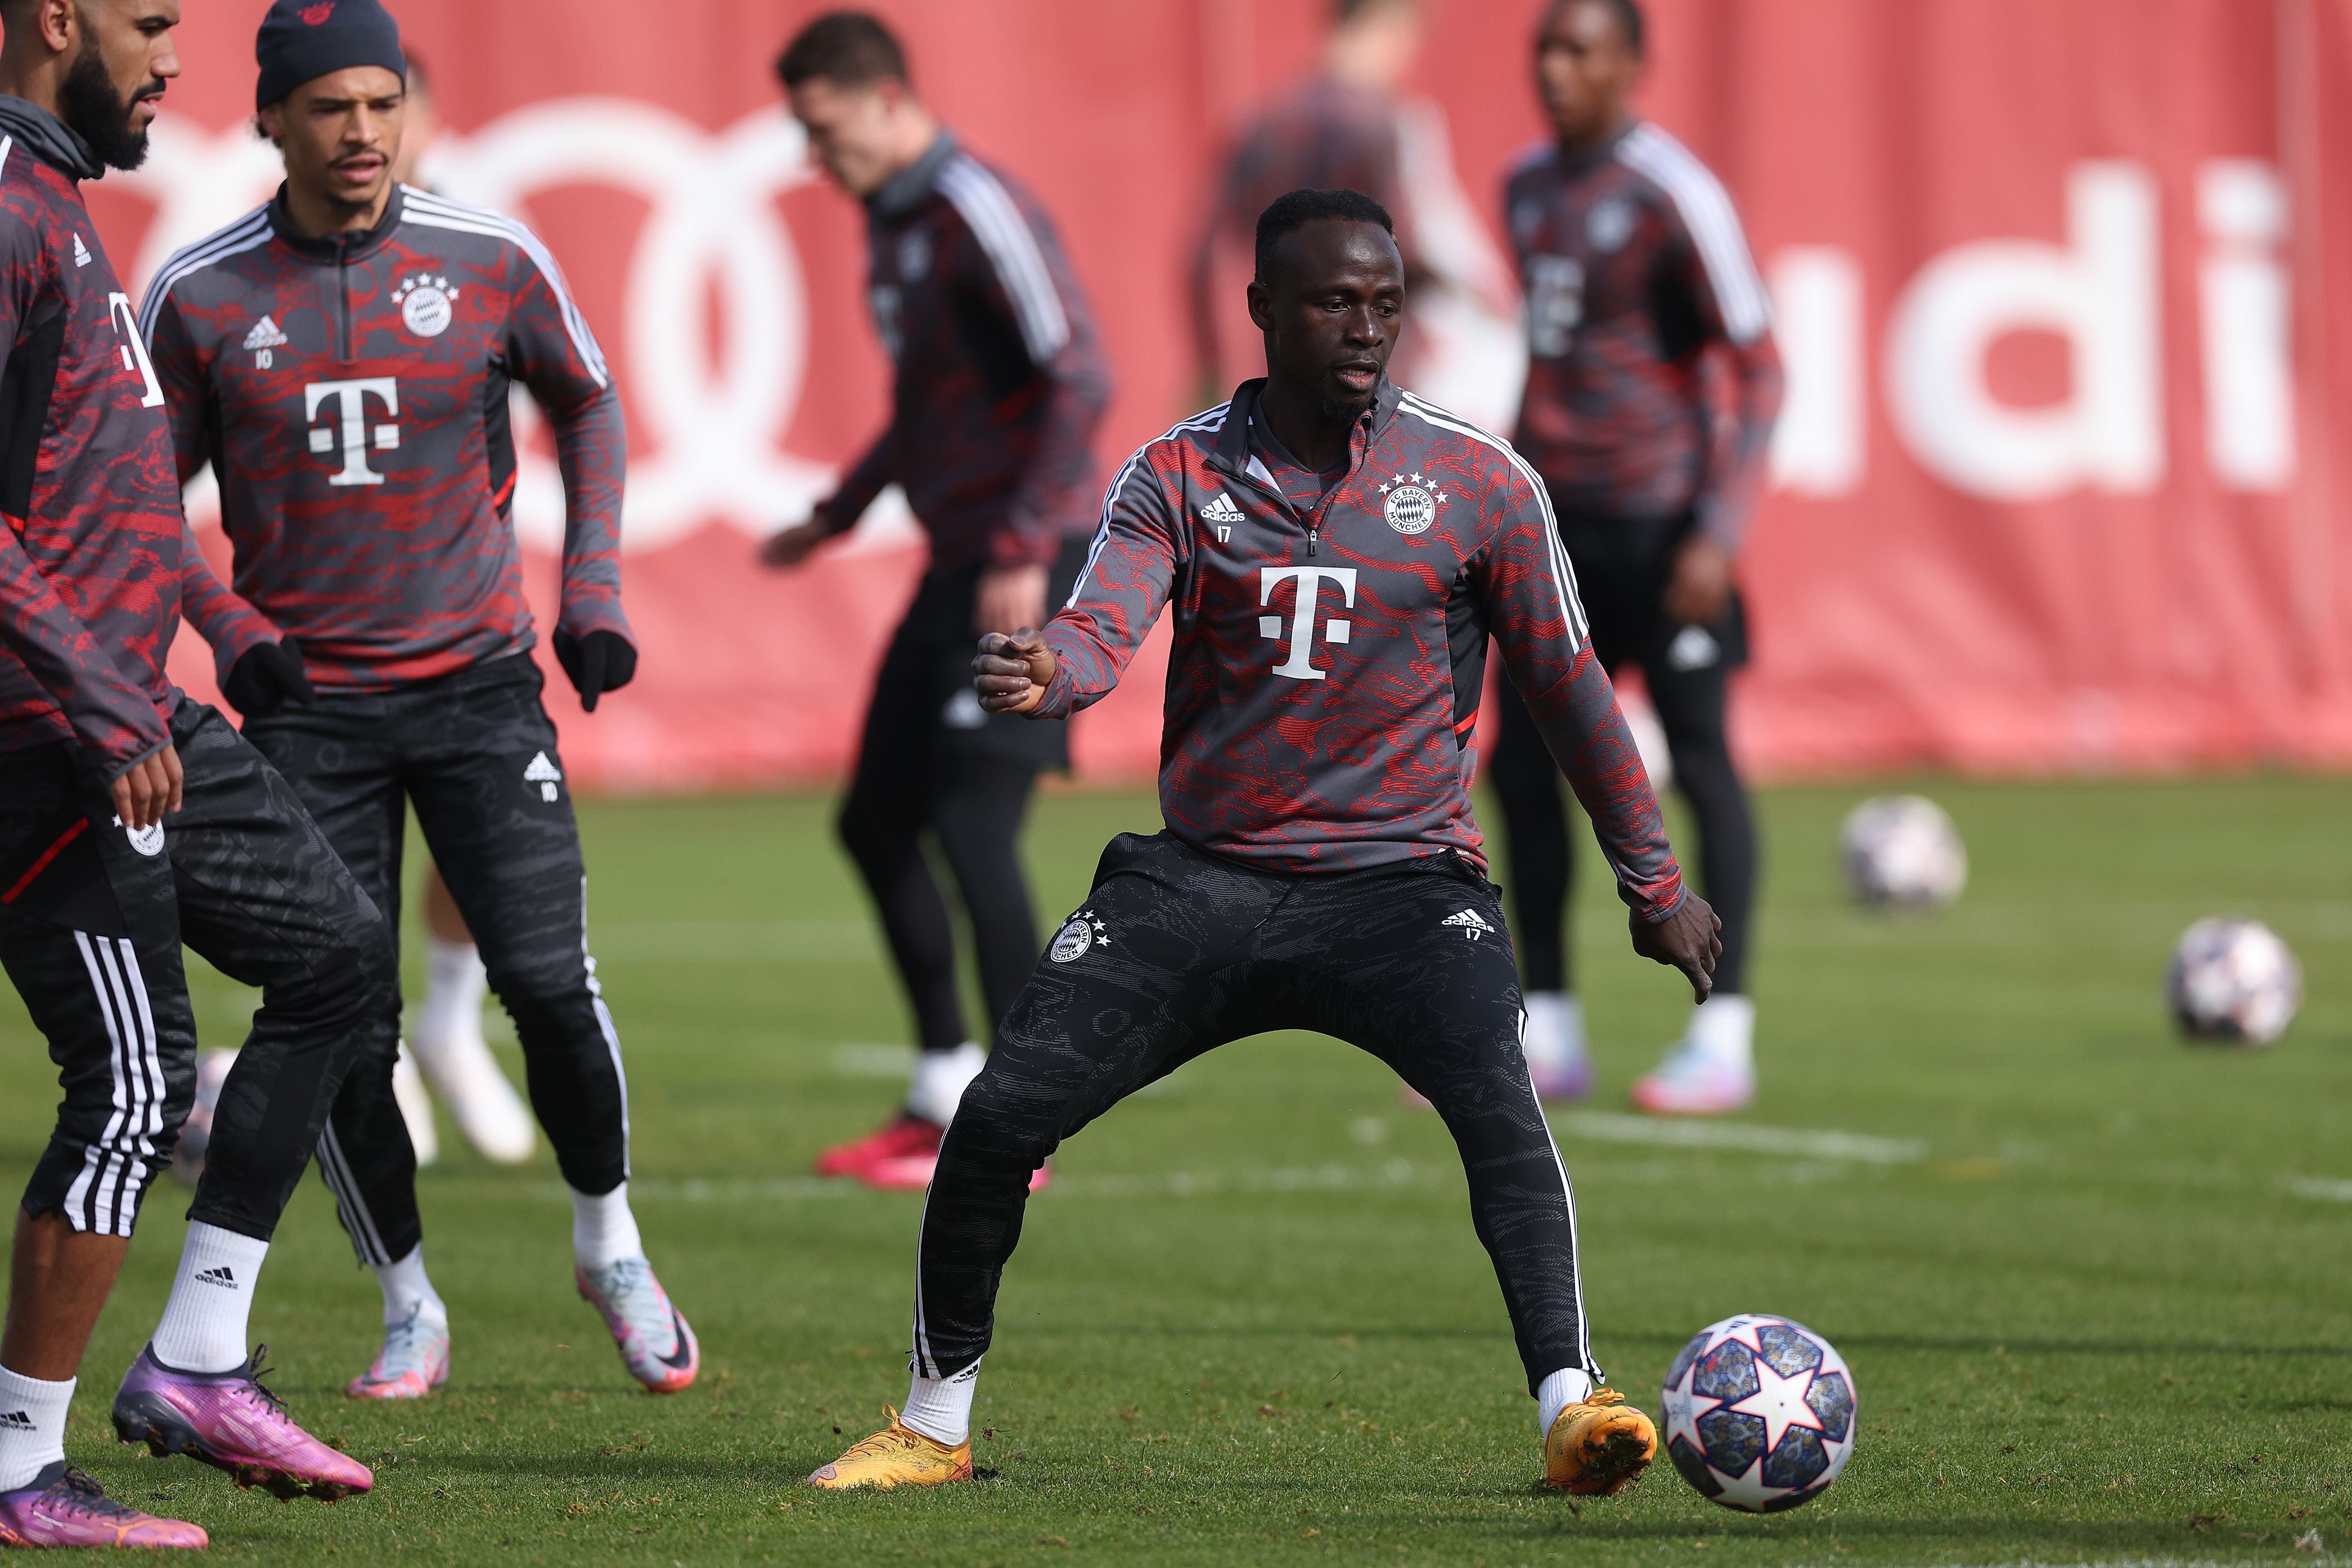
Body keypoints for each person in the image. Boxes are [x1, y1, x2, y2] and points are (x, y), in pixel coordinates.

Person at [808, 188, 1718, 1495]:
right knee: (998, 1113)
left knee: (1498, 1108)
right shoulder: (1178, 472)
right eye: (1336, 302)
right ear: (1263, 313)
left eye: (1388, 304)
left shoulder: (1479, 481)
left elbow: (1574, 695)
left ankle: (1575, 1406)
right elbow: (1099, 631)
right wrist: (1045, 670)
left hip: (1405, 887)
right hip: (1204, 883)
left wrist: (1656, 883)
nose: (1368, 329)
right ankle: (933, 1426)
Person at [147, 0, 696, 1404]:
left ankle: (609, 1243)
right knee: (344, 1022)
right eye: (329, 106)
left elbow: (591, 402)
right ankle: (408, 1301)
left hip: (479, 691)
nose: (361, 131)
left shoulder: (492, 256)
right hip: (306, 714)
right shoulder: (202, 295)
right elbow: (136, 512)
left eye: (380, 103)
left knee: (551, 990)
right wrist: (229, 626)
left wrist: (595, 595)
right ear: (271, 120)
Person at [0, 0, 394, 1544]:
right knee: (130, 1089)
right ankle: (19, 1467)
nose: (176, 57)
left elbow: (92, 503)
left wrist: (214, 627)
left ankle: (200, 1356)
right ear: (52, 18)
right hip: (46, 738)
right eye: (152, 21)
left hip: (131, 712)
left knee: (338, 954)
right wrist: (99, 692)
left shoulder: (54, 203)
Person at [762, 12, 1110, 1191]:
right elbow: (923, 405)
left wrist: (1024, 539)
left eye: (825, 130)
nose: (821, 158)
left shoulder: (974, 204)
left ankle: (1016, 1129)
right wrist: (842, 511)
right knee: (872, 820)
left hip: (1026, 556)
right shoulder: (895, 224)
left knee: (972, 827)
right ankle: (937, 1089)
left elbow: (1080, 370)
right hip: (958, 560)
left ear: (885, 100)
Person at [1490, 0, 1782, 1113]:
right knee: (1522, 768)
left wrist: (1720, 528)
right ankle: (1548, 1028)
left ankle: (1726, 1034)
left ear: (1632, 65)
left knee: (1703, 764)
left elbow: (1758, 366)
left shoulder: (1674, 192)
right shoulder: (1525, 187)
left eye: (1579, 52)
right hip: (1554, 529)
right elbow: (1549, 356)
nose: (1555, 72)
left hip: (1666, 530)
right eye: (1543, 52)